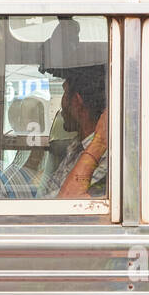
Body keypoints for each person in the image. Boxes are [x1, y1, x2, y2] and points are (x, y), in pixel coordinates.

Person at [44, 64, 108, 199]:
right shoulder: (76, 147)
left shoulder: (104, 158)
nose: (61, 106)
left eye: (65, 93)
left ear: (77, 102)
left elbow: (64, 204)